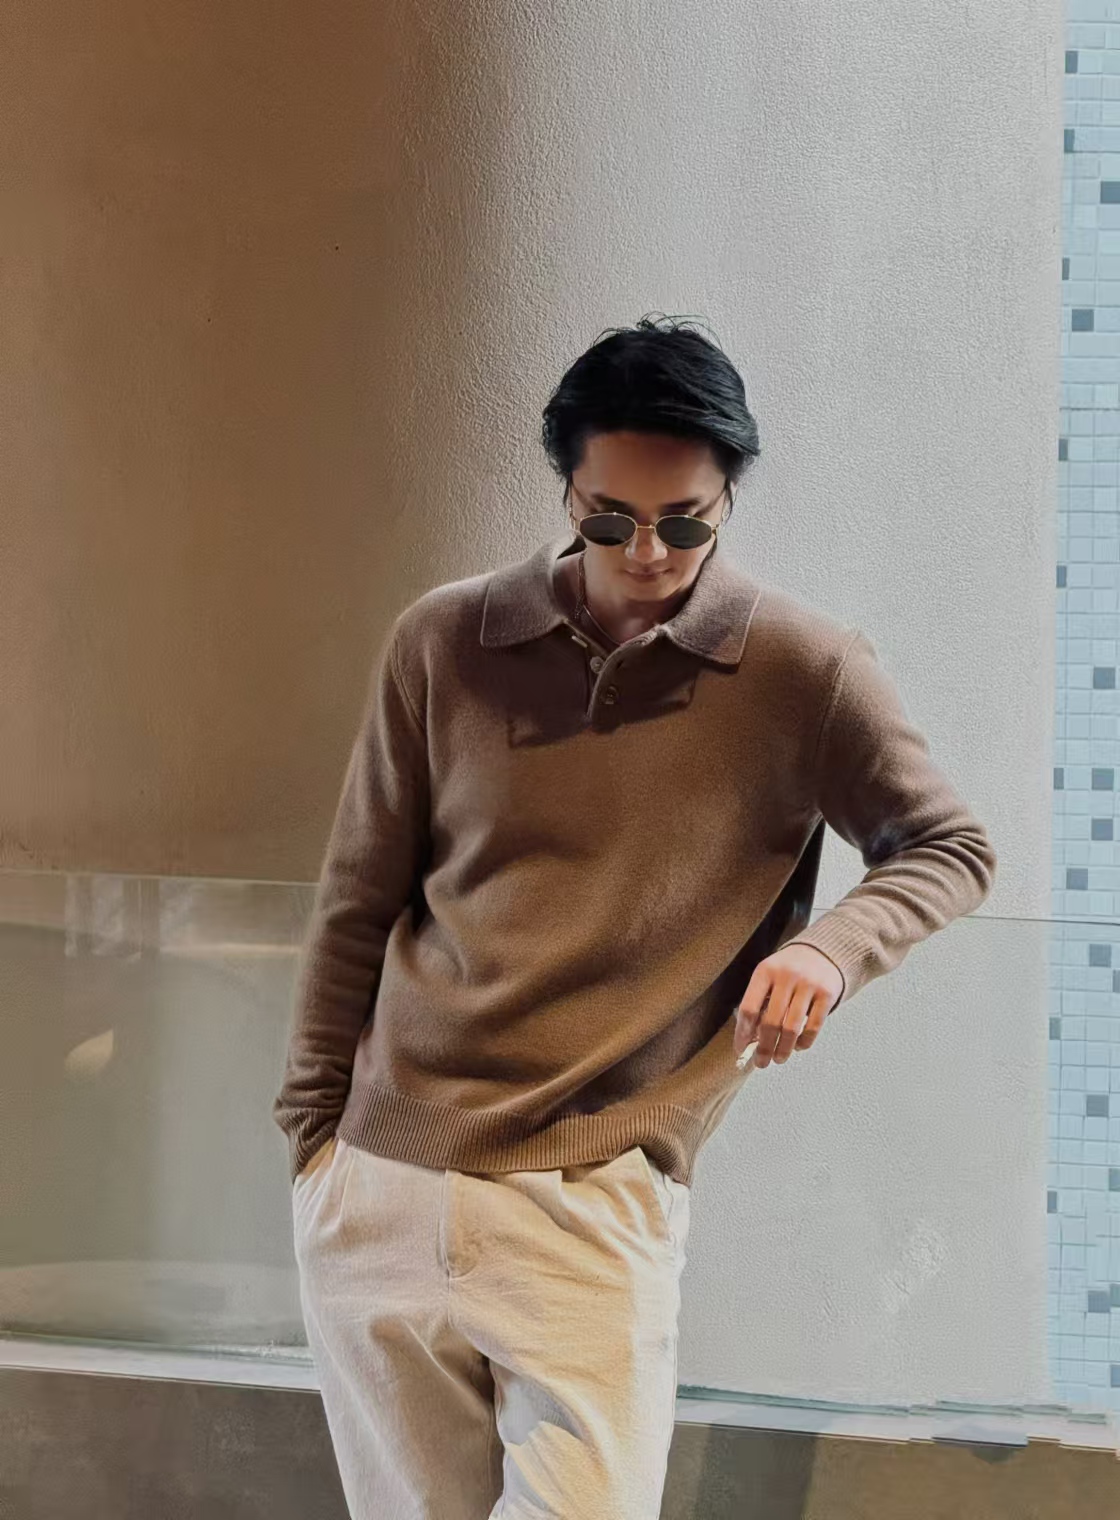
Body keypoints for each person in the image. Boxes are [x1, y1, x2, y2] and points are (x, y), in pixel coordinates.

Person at [274, 314, 996, 1519]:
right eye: (609, 519)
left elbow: (949, 844)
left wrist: (828, 951)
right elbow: (358, 895)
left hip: (592, 1192)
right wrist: (312, 1139)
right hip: (381, 1184)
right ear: (566, 489)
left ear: (728, 497)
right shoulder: (445, 639)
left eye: (685, 521)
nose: (648, 550)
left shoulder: (803, 669)